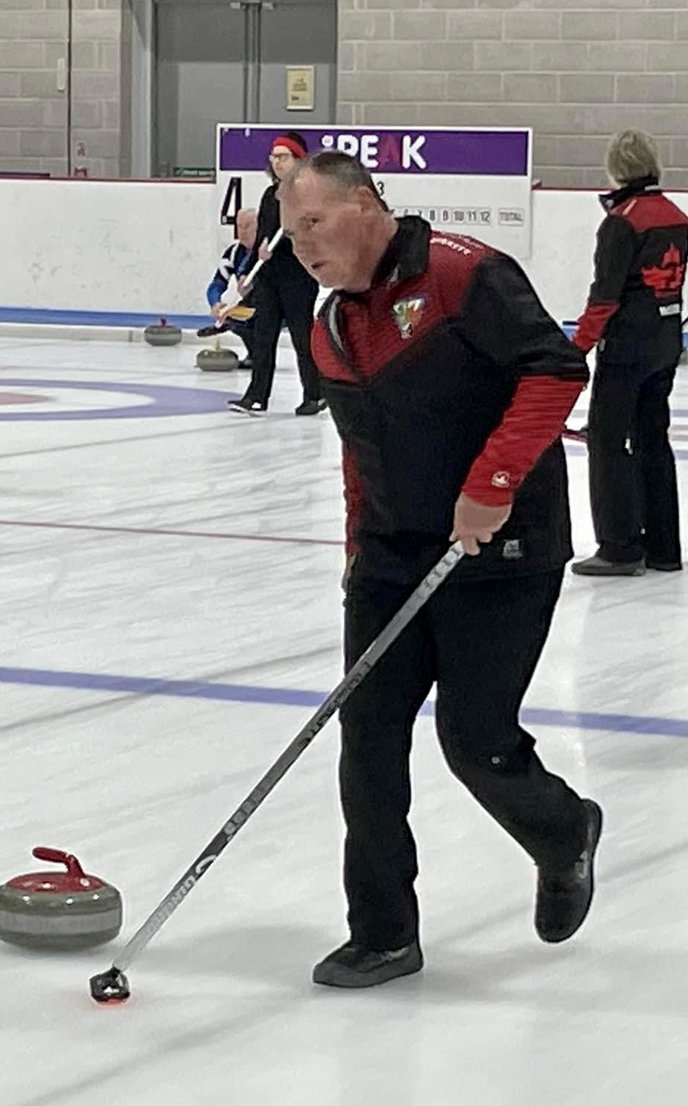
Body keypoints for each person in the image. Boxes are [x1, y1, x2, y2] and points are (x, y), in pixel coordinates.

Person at [278, 150, 602, 989]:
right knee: (368, 742)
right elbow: (360, 451)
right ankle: (383, 932)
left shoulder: (463, 276)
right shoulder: (330, 326)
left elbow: (556, 368)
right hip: (391, 558)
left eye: (313, 223)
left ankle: (563, 831)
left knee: (475, 742)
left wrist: (493, 483)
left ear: (365, 205)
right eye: (290, 231)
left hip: (501, 552)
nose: (301, 244)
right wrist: (358, 546)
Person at [569, 130, 685, 576]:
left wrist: (577, 348)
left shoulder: (622, 221)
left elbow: (605, 297)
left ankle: (619, 546)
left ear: (616, 170)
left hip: (627, 346)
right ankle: (664, 547)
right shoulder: (675, 215)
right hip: (665, 340)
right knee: (653, 438)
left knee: (607, 440)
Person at [229, 133, 322, 417]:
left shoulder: (308, 197)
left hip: (297, 277)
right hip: (269, 277)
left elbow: (312, 235)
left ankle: (314, 394)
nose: (276, 162)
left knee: (301, 337)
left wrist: (288, 242)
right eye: (274, 156)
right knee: (263, 336)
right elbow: (263, 237)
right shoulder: (271, 196)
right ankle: (257, 396)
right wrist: (249, 271)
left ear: (298, 160)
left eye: (283, 156)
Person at [206, 207, 257, 368]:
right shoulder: (234, 252)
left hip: (277, 305)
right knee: (232, 316)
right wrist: (215, 303)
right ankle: (255, 355)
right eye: (239, 226)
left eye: (247, 226)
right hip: (250, 305)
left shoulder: (272, 251)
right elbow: (217, 283)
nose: (242, 231)